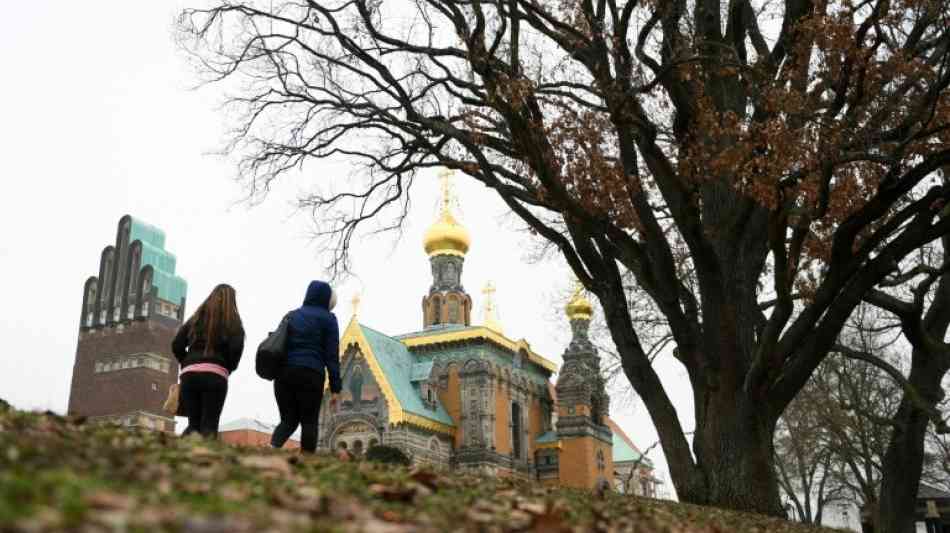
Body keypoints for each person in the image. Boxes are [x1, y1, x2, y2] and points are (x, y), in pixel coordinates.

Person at [271, 280, 342, 453]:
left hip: (284, 375)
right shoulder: (329, 320)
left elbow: (277, 343)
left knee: (288, 420)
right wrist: (335, 389)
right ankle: (307, 462)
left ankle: (271, 450)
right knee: (309, 422)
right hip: (311, 375)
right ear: (327, 299)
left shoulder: (291, 315)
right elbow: (331, 356)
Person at [172, 284, 245, 438]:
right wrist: (227, 367)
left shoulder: (196, 318)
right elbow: (236, 351)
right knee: (209, 425)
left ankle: (179, 456)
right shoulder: (234, 322)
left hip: (189, 376)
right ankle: (203, 459)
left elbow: (177, 344)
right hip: (215, 376)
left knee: (193, 425)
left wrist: (187, 362)